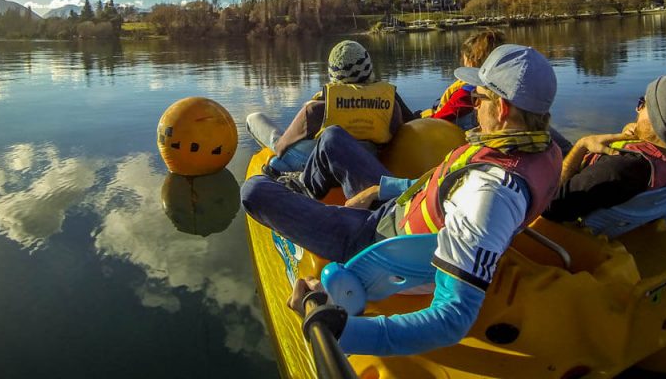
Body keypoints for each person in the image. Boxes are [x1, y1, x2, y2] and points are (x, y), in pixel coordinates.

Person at [241, 44, 562, 356]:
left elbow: (452, 319)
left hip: (378, 244)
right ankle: (313, 189)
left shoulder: (489, 194)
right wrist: (382, 188)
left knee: (254, 191)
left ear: (502, 109)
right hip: (401, 211)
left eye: (478, 98)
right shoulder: (542, 150)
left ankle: (302, 194)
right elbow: (447, 186)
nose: (474, 106)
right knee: (334, 137)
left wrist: (342, 331)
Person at [543, 72, 666, 224]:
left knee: (536, 127)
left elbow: (551, 208)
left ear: (656, 121)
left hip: (571, 184)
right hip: (595, 178)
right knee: (546, 130)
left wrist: (582, 145)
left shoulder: (619, 170)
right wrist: (639, 132)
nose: (637, 110)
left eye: (643, 104)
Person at [247, 40, 412, 174]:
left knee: (255, 120)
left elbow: (283, 146)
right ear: (369, 68)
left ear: (333, 75)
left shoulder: (317, 109)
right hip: (369, 159)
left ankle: (282, 171)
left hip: (321, 164)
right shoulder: (391, 104)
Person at [416, 28, 506, 126]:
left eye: (464, 59)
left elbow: (435, 122)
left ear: (470, 62)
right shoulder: (509, 89)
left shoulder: (464, 95)